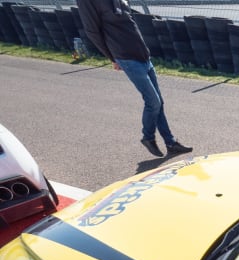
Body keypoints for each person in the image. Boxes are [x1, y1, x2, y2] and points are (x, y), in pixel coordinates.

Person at [76, 0, 192, 158]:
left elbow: (129, 23)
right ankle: (148, 137)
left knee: (159, 102)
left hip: (143, 54)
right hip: (125, 56)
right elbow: (92, 31)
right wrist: (112, 57)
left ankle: (171, 143)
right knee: (153, 101)